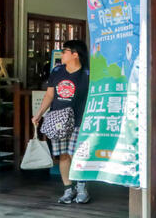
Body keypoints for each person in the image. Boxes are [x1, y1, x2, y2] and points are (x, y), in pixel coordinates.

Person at [32, 39, 91, 205]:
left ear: (75, 54)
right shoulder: (57, 71)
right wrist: (39, 114)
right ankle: (68, 188)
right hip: (58, 120)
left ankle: (81, 187)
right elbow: (50, 95)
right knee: (63, 155)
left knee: (76, 154)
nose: (61, 54)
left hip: (79, 120)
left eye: (65, 51)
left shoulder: (87, 73)